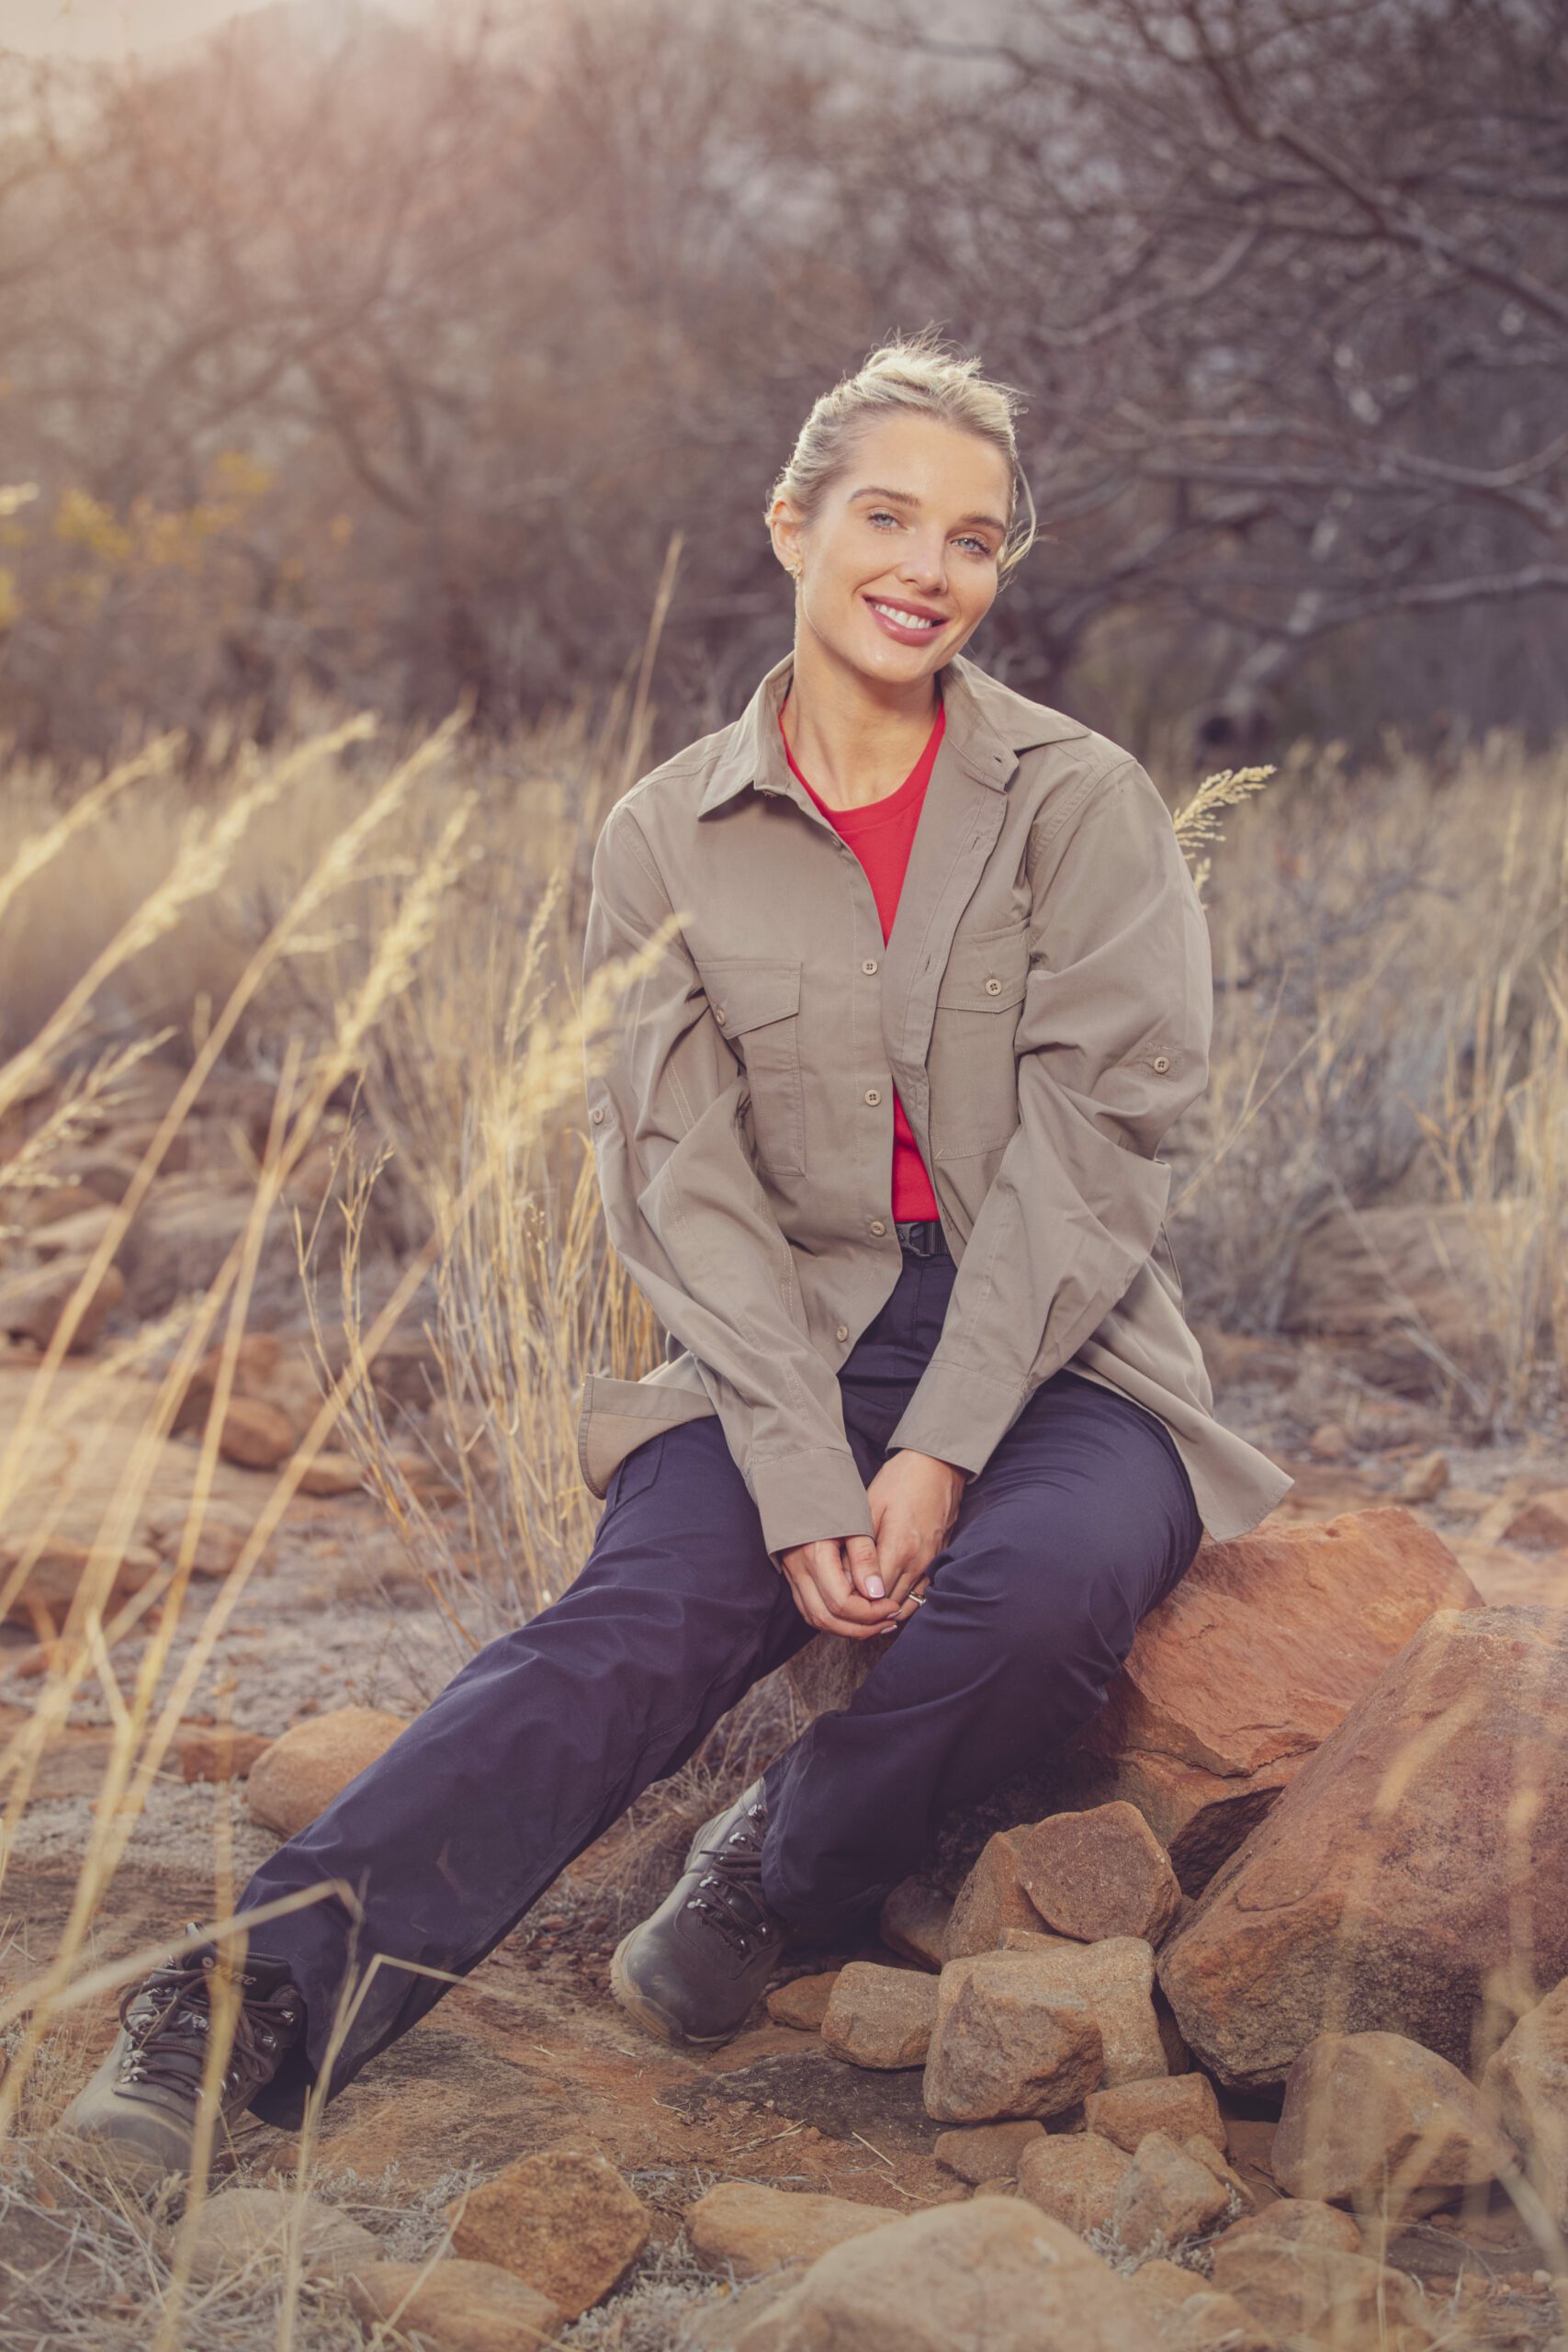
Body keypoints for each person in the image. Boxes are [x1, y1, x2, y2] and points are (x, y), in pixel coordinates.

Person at [58, 331, 1292, 2186]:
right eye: (885, 515)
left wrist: (943, 1444)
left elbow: (1095, 1150)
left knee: (1031, 1594)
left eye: (971, 536)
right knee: (623, 1633)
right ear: (789, 523)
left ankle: (782, 1866)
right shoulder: (659, 836)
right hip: (772, 1337)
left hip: (1063, 1347)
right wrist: (803, 1472)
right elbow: (675, 1178)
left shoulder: (1080, 803)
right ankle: (240, 2011)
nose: (924, 567)